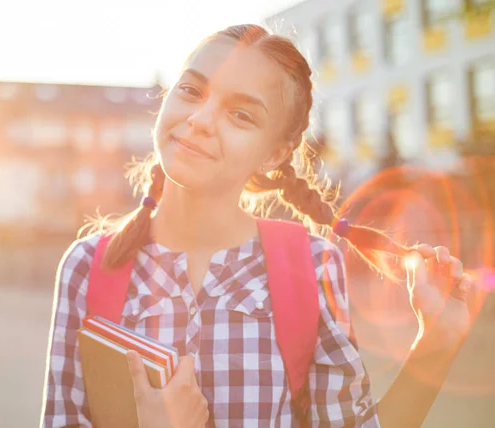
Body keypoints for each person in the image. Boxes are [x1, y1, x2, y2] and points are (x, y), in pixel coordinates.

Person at [40, 24, 474, 428]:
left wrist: (438, 343)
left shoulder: (312, 266)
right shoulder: (88, 266)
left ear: (275, 154)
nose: (200, 119)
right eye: (191, 90)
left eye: (241, 115)